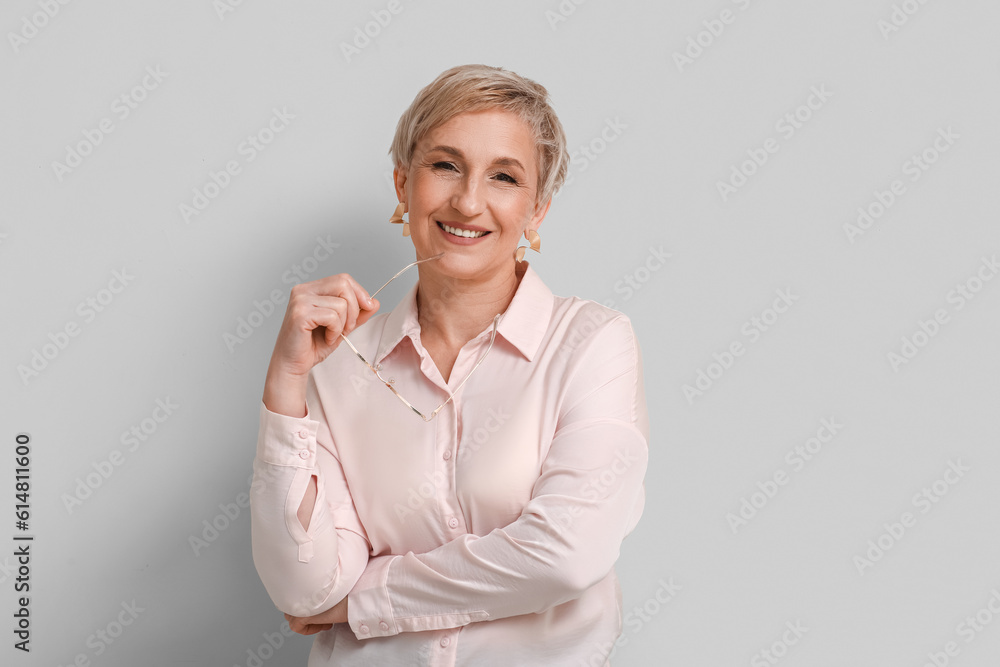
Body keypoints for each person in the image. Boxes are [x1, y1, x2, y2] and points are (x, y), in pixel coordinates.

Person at [250, 63, 650, 666]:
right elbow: (305, 590)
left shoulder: (592, 344)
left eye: (504, 177)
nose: (468, 201)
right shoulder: (340, 361)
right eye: (445, 165)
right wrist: (286, 383)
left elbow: (565, 554)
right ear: (402, 185)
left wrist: (365, 603)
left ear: (537, 211)